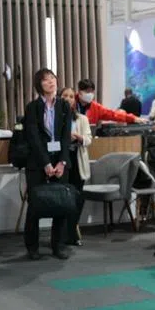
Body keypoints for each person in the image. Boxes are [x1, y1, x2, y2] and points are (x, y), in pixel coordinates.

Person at [22, 69, 71, 260]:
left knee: (61, 204)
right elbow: (33, 137)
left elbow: (66, 136)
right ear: (39, 85)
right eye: (45, 80)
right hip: (37, 162)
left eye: (53, 78)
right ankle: (32, 247)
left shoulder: (64, 106)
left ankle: (58, 245)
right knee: (35, 203)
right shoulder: (32, 107)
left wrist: (62, 162)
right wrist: (45, 164)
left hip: (59, 160)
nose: (51, 82)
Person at [60, 87, 91, 246]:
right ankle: (62, 234)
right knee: (63, 199)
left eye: (71, 96)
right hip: (61, 162)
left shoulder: (81, 119)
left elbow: (88, 139)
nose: (68, 98)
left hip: (77, 160)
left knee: (77, 199)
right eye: (65, 96)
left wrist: (78, 137)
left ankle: (71, 233)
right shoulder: (55, 118)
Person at [75, 79, 148, 126]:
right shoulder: (72, 103)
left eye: (92, 92)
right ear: (80, 92)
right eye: (87, 91)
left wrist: (134, 118)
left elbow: (114, 114)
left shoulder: (96, 107)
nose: (90, 94)